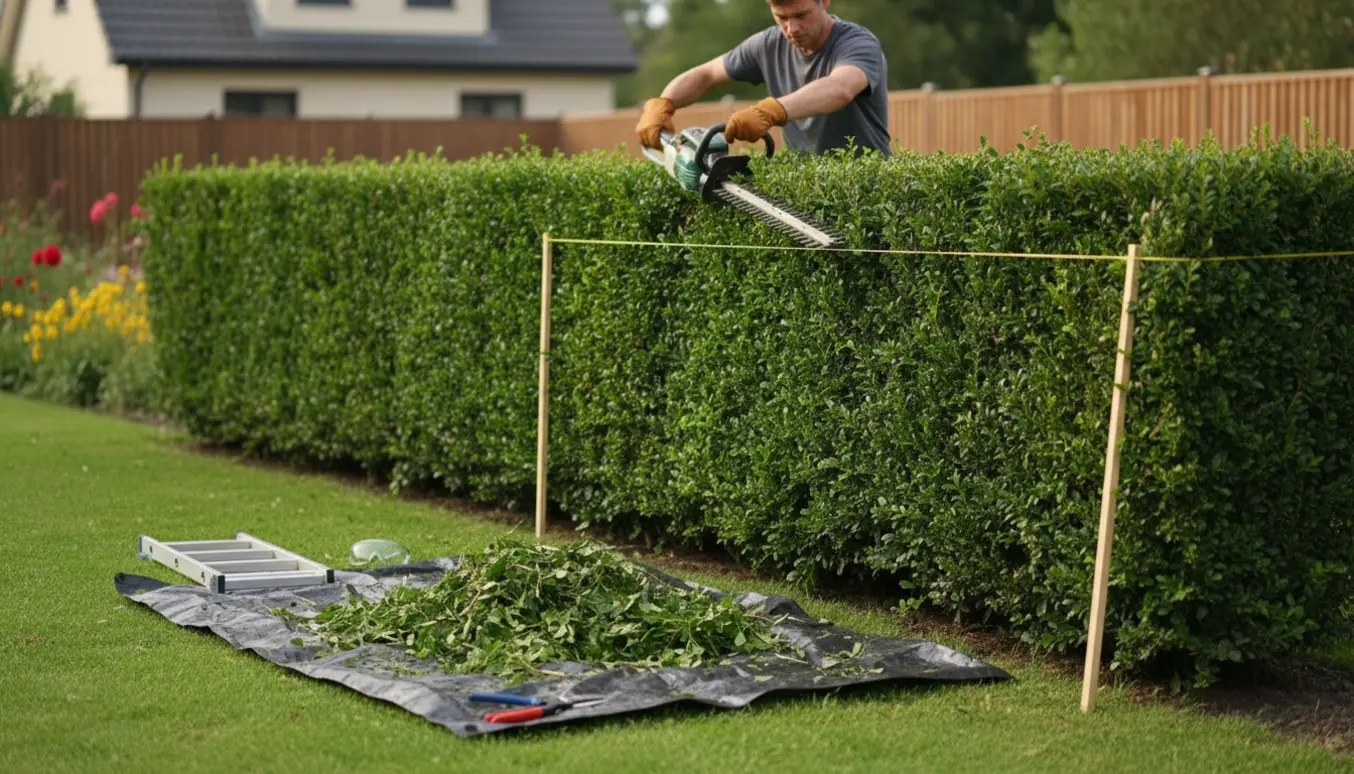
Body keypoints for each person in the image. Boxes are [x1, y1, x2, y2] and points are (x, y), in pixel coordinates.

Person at [635, 0, 891, 157]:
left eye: (801, 15)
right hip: (805, 185)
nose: (792, 29)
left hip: (862, 186)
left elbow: (840, 88)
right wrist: (664, 103)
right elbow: (707, 74)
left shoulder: (857, 43)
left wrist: (770, 111)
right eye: (782, 18)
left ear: (824, 1)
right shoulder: (768, 45)